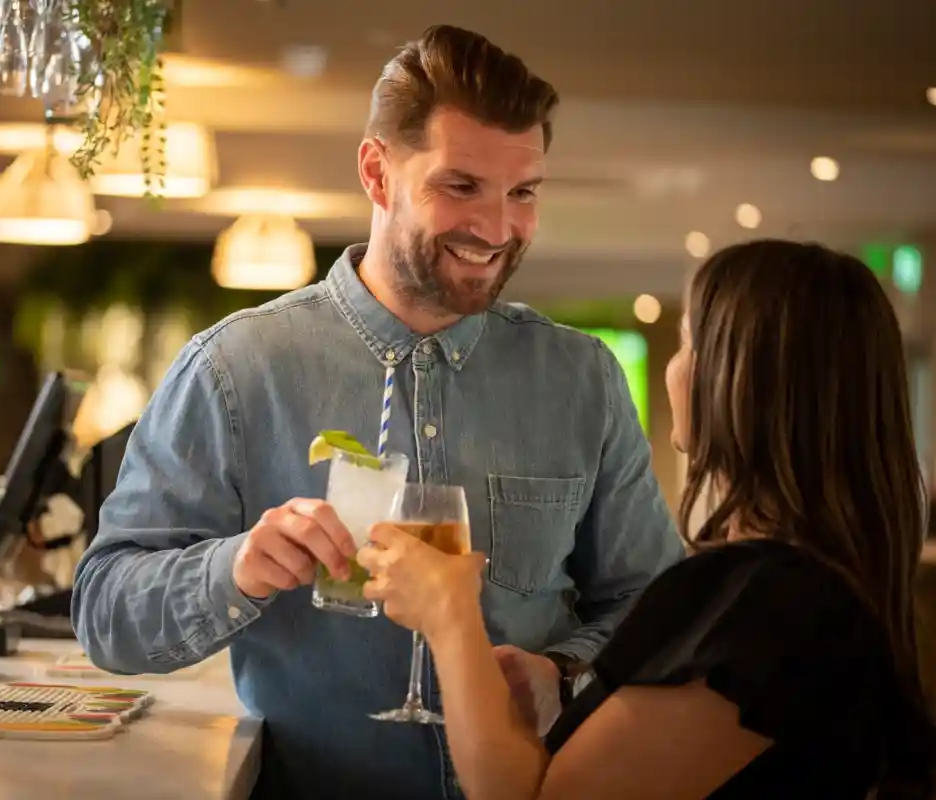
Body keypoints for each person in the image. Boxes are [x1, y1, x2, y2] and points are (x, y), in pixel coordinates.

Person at [70, 24, 683, 800]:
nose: (497, 229)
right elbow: (106, 611)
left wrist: (565, 671)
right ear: (376, 172)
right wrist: (236, 568)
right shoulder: (236, 370)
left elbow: (657, 609)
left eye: (522, 193)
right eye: (460, 186)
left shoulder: (581, 380)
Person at [359, 239, 936, 799]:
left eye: (687, 343)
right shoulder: (808, 590)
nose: (675, 369)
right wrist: (562, 688)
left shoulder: (767, 602)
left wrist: (451, 617)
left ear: (742, 384)